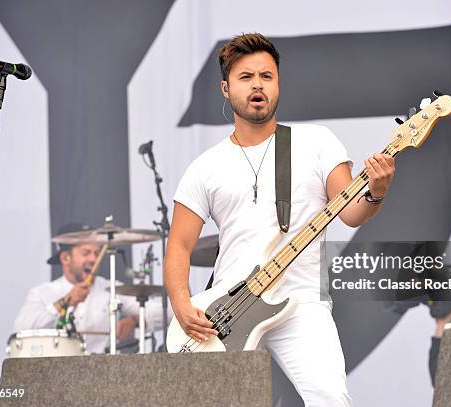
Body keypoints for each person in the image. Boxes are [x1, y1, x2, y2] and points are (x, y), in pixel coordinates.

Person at [164, 33, 395, 406]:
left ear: (277, 85)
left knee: (330, 397)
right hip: (226, 310)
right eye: (246, 77)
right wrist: (181, 304)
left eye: (267, 76)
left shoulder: (317, 142)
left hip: (299, 301)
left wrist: (376, 191)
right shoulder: (204, 167)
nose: (258, 84)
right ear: (225, 88)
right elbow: (179, 244)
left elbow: (351, 213)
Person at [14, 223, 161, 353]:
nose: (93, 259)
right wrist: (65, 302)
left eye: (96, 253)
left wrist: (135, 320)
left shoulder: (111, 289)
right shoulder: (42, 293)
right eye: (86, 253)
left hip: (104, 372)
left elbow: (167, 313)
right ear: (65, 258)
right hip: (57, 374)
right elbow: (21, 329)